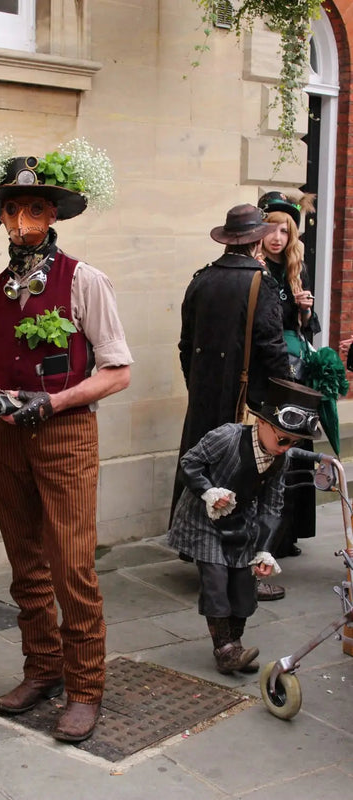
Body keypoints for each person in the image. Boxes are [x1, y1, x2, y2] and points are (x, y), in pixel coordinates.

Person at [0, 148, 132, 743]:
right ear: (0, 218)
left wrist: (53, 403)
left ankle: (85, 688)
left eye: (33, 209)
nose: (21, 221)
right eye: (12, 211)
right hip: (5, 439)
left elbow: (118, 371)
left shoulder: (84, 280)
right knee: (25, 564)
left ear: (52, 214)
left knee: (71, 565)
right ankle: (42, 670)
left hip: (64, 436)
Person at [169, 204, 291, 601]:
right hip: (245, 403)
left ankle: (204, 561)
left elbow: (185, 345)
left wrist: (198, 386)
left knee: (204, 475)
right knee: (244, 484)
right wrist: (284, 399)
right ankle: (242, 575)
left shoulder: (201, 279)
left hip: (205, 397)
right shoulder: (261, 282)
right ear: (255, 241)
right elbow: (273, 349)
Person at [168, 378, 322, 675]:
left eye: (295, 443)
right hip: (203, 520)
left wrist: (264, 550)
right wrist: (207, 491)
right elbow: (189, 462)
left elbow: (272, 506)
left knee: (244, 584)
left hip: (242, 524)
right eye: (283, 439)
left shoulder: (281, 460)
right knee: (215, 580)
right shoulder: (226, 436)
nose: (286, 448)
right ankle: (224, 650)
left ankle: (235, 644)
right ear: (261, 422)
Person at [259, 191, 321, 559]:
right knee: (271, 446)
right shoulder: (255, 268)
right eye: (271, 228)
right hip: (269, 370)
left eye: (285, 230)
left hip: (295, 371)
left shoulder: (298, 268)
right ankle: (267, 537)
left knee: (296, 443)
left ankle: (289, 533)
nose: (278, 237)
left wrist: (305, 312)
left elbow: (308, 328)